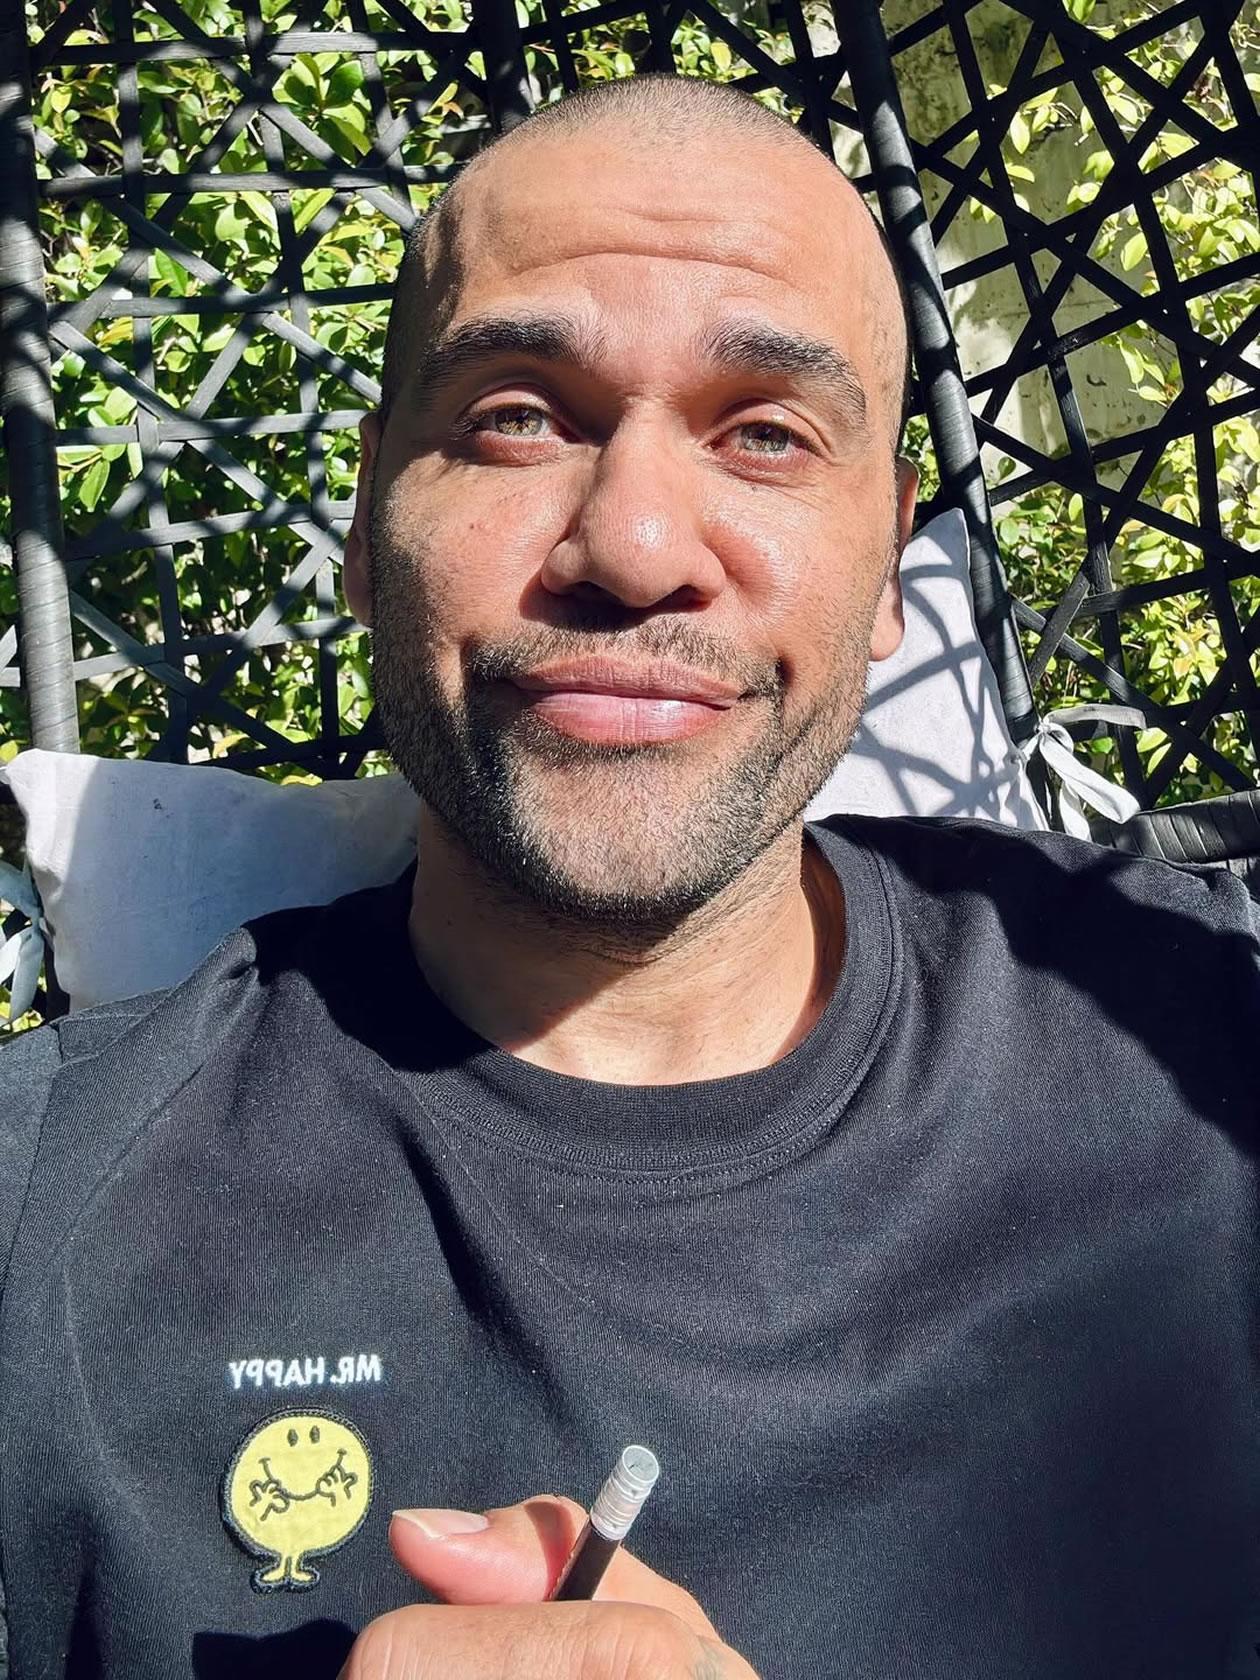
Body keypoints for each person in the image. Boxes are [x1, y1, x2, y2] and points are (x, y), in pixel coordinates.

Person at [1, 70, 1257, 1680]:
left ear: (892, 554)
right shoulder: (46, 1216)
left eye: (767, 433)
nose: (637, 545)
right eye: (518, 415)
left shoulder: (1205, 1045)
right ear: (369, 520)